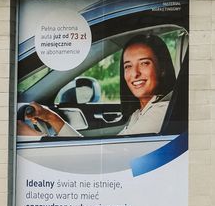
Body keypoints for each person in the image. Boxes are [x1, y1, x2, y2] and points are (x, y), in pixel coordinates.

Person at [17, 34, 177, 138]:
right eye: (128, 66)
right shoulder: (140, 113)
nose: (134, 74)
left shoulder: (160, 112)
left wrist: (32, 136)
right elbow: (95, 154)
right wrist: (51, 117)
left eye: (144, 63)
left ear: (162, 69)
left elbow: (104, 161)